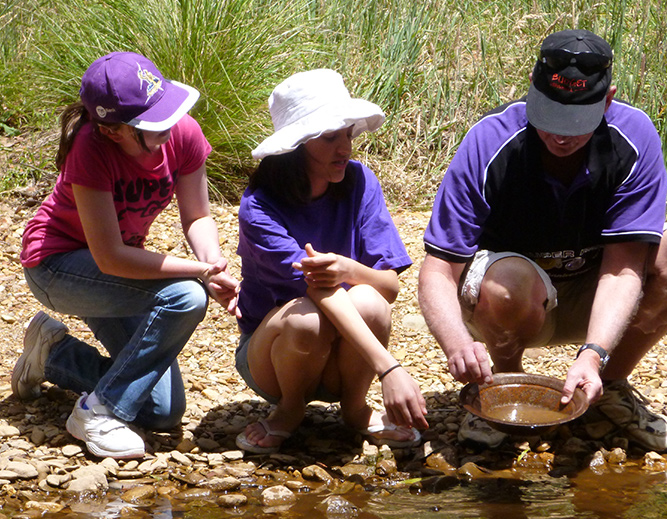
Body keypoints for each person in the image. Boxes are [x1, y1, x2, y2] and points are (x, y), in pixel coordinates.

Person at [418, 29, 667, 452]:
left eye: (575, 123)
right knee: (509, 281)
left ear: (608, 100)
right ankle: (504, 387)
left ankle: (609, 384)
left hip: (596, 297)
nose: (561, 136)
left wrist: (593, 354)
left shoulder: (633, 137)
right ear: (532, 92)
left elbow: (624, 267)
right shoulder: (489, 141)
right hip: (509, 302)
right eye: (550, 118)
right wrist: (456, 344)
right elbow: (437, 270)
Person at [11, 52, 240, 459]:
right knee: (185, 296)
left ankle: (52, 354)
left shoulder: (182, 133)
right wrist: (201, 273)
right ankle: (97, 411)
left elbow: (198, 214)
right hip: (58, 267)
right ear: (113, 130)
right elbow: (111, 258)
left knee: (161, 411)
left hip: (113, 273)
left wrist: (214, 261)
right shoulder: (90, 148)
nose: (169, 126)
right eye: (154, 124)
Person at [234, 69, 428, 454]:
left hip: (344, 359)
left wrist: (349, 269)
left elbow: (390, 287)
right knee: (307, 316)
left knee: (370, 300)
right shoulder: (259, 207)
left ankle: (355, 408)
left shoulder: (360, 182)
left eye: (347, 134)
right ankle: (289, 410)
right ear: (296, 147)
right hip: (276, 359)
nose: (345, 148)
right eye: (329, 137)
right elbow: (318, 291)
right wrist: (389, 367)